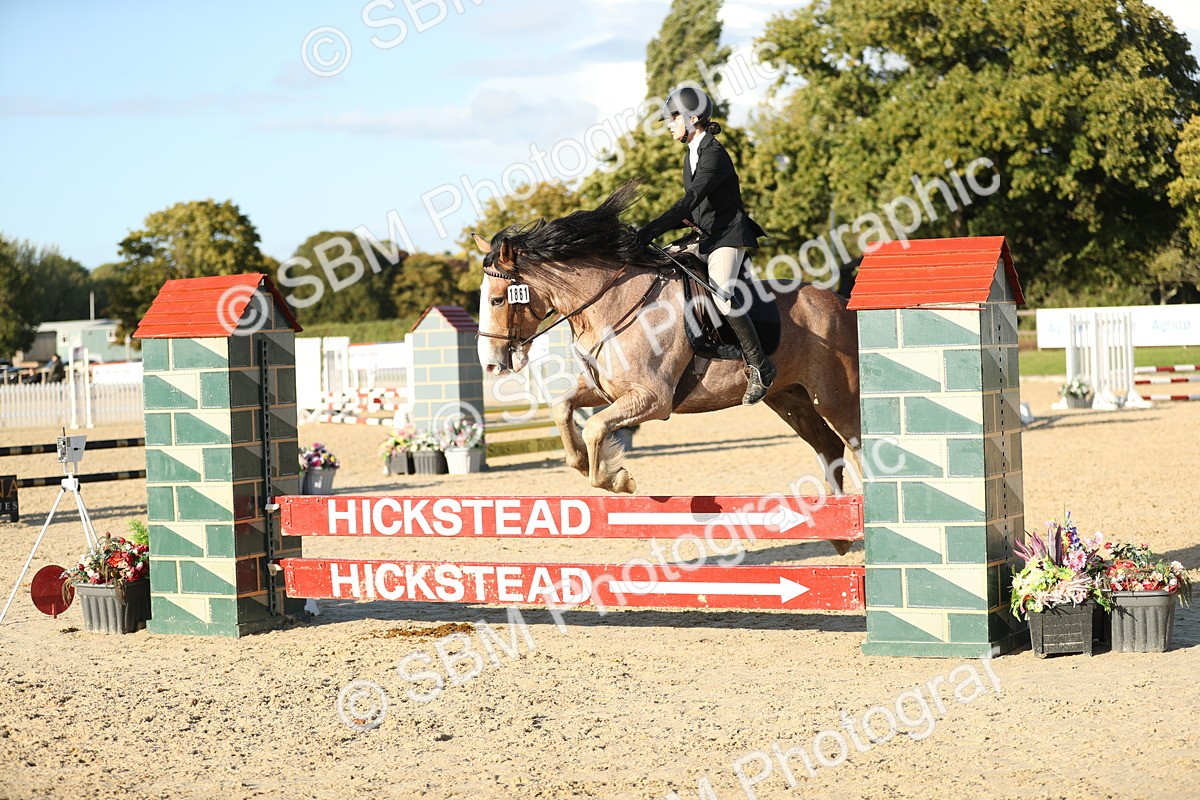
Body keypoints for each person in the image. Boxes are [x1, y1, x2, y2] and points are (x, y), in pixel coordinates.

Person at [635, 86, 775, 405]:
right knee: (664, 270)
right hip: (706, 233)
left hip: (728, 235)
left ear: (692, 118)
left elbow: (689, 201)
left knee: (723, 295)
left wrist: (648, 231)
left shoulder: (713, 153)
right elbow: (696, 207)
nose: (669, 125)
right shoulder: (692, 152)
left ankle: (760, 365)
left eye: (673, 119)